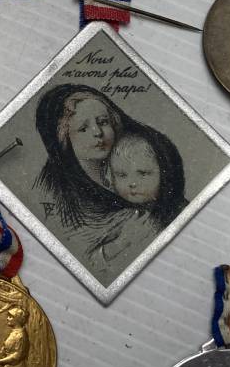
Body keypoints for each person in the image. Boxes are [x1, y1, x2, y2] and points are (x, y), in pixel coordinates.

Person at [81, 128, 188, 280]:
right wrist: (121, 242)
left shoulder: (181, 213)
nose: (131, 183)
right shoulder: (118, 216)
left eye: (143, 173)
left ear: (166, 173)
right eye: (122, 175)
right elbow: (90, 265)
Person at [33, 85, 130, 230]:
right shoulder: (60, 195)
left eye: (103, 122)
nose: (97, 132)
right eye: (83, 128)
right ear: (64, 138)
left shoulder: (130, 163)